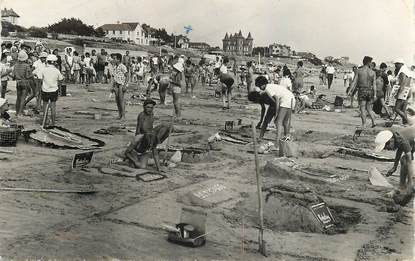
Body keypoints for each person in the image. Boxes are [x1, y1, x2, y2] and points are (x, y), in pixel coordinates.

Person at [123, 99, 171, 171]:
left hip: (144, 148)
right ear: (144, 107)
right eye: (148, 107)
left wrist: (159, 168)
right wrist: (135, 161)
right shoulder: (138, 137)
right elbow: (126, 152)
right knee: (137, 165)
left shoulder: (152, 139)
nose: (150, 109)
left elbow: (155, 154)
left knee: (167, 126)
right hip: (136, 150)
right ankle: (127, 160)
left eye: (152, 107)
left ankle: (140, 159)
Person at [374, 128, 415, 205]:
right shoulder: (397, 137)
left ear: (390, 141)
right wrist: (394, 167)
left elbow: (409, 161)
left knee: (406, 160)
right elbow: (400, 150)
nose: (388, 149)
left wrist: (410, 182)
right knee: (403, 160)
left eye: (387, 147)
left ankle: (406, 186)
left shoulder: (402, 140)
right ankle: (402, 186)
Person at [255, 76, 295, 144]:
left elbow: (276, 100)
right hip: (291, 98)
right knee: (285, 122)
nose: (260, 88)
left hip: (285, 100)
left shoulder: (268, 89)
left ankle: (277, 142)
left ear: (263, 84)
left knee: (278, 122)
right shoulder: (271, 87)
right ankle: (286, 138)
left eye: (260, 86)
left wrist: (276, 113)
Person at [350, 56, 376, 128]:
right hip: (370, 90)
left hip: (362, 90)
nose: (371, 63)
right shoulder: (373, 72)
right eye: (371, 62)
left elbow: (354, 82)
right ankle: (373, 122)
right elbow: (374, 84)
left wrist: (350, 91)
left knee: (362, 108)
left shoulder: (359, 71)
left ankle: (364, 124)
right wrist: (375, 94)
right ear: (369, 62)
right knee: (369, 108)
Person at [40, 55, 64, 126]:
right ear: (54, 62)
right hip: (54, 90)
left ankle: (44, 123)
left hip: (45, 90)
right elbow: (61, 80)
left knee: (45, 106)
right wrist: (59, 88)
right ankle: (53, 124)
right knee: (53, 107)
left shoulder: (44, 70)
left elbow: (40, 79)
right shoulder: (56, 70)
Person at [13, 50, 34, 117]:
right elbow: (28, 76)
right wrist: (32, 74)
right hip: (24, 82)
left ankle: (17, 112)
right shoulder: (26, 65)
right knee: (23, 98)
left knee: (18, 98)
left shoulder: (15, 65)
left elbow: (14, 75)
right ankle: (20, 113)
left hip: (18, 82)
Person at [393, 59, 414, 125]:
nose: (395, 65)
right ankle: (405, 123)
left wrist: (398, 93)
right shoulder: (407, 71)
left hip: (403, 91)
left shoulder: (402, 72)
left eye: (396, 64)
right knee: (403, 109)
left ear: (401, 64)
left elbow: (402, 83)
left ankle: (407, 121)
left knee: (397, 109)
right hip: (408, 90)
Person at [112, 53, 128, 120]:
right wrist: (113, 86)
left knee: (121, 100)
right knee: (117, 100)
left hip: (121, 84)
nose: (113, 60)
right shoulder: (115, 67)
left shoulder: (122, 66)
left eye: (114, 58)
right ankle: (120, 114)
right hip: (116, 84)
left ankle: (123, 116)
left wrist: (124, 85)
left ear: (118, 59)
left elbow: (127, 76)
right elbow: (114, 77)